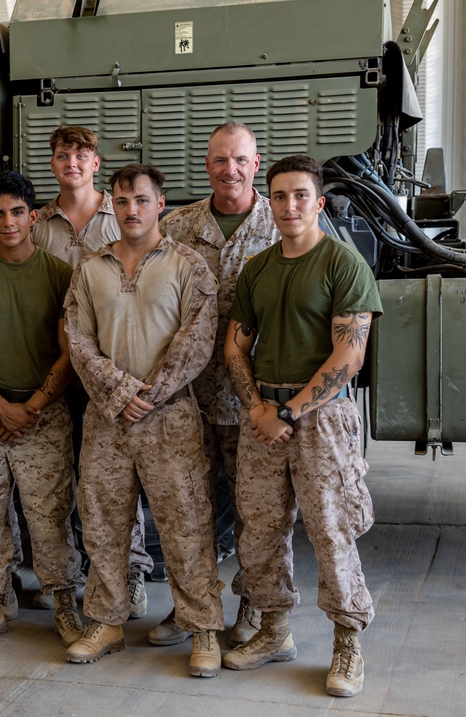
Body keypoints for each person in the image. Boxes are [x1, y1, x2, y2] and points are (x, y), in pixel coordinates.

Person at [221, 155, 381, 698]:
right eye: (280, 196)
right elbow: (235, 347)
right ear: (271, 202)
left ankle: (348, 640)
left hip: (321, 417)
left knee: (331, 530)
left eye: (300, 196)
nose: (290, 206)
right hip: (263, 415)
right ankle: (273, 631)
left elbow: (348, 355)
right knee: (261, 529)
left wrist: (290, 412)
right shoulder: (259, 269)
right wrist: (259, 408)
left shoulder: (342, 264)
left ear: (317, 202)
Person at [63, 163, 222, 677]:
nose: (132, 210)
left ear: (161, 204)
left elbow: (198, 338)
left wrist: (148, 393)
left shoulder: (188, 265)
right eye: (123, 201)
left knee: (186, 525)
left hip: (169, 416)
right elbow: (78, 338)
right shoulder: (91, 267)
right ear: (112, 204)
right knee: (104, 525)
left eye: (142, 200)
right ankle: (107, 623)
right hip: (108, 419)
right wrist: (118, 392)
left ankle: (203, 630)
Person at [153, 121, 280, 647]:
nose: (230, 170)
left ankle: (254, 606)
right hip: (187, 396)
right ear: (206, 166)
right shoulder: (178, 227)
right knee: (187, 508)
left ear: (256, 163)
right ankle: (193, 608)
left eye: (241, 160)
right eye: (220, 160)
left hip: (254, 399)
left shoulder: (283, 224)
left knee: (259, 511)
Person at [0, 170, 84, 649]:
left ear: (34, 216)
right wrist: (1, 406)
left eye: (18, 212)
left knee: (49, 513)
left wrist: (30, 407)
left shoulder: (59, 274)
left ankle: (64, 601)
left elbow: (70, 351)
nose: (8, 222)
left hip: (42, 411)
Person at [32, 125, 151, 616]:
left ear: (96, 164)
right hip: (58, 369)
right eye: (63, 155)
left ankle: (133, 571)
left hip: (115, 372)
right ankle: (70, 574)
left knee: (124, 479)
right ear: (53, 163)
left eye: (82, 155)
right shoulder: (37, 223)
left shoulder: (122, 213)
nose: (72, 163)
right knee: (63, 478)